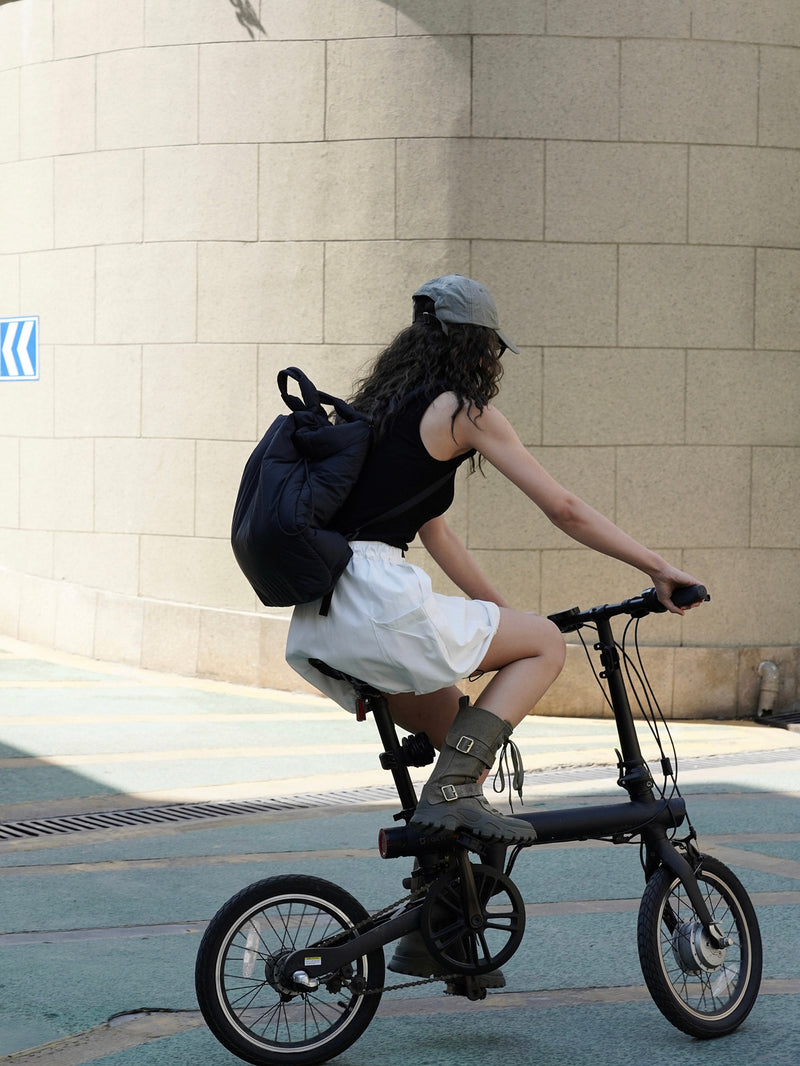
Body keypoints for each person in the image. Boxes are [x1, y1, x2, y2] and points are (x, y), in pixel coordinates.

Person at [286, 274, 704, 849]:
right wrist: (657, 567)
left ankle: (433, 928)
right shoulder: (465, 411)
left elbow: (436, 533)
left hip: (324, 614)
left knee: (462, 739)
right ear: (476, 344)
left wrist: (505, 618)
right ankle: (453, 795)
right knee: (548, 647)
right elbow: (565, 508)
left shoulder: (375, 411)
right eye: (494, 346)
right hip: (375, 597)